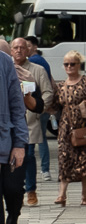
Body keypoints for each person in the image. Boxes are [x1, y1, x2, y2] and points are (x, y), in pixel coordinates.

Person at [54, 50, 86, 207]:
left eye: (72, 64)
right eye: (66, 64)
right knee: (64, 158)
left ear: (79, 64)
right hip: (66, 127)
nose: (69, 67)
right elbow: (53, 104)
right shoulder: (60, 86)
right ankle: (62, 195)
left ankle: (85, 195)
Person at [13, 37, 53, 210]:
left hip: (30, 122)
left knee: (28, 156)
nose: (19, 50)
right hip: (11, 124)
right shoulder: (7, 69)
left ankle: (31, 190)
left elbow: (48, 93)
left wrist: (39, 109)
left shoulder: (37, 70)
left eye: (23, 47)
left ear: (28, 50)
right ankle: (16, 191)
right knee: (13, 159)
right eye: (16, 47)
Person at [0, 42, 23, 224]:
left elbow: (17, 105)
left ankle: (13, 218)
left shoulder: (5, 62)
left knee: (14, 189)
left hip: (6, 140)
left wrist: (20, 143)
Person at [24, 38, 55, 178]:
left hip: (36, 107)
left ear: (34, 47)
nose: (25, 49)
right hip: (41, 105)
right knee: (40, 138)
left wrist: (41, 105)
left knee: (36, 139)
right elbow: (51, 81)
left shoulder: (34, 62)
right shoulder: (43, 61)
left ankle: (44, 170)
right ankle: (45, 170)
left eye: (27, 46)